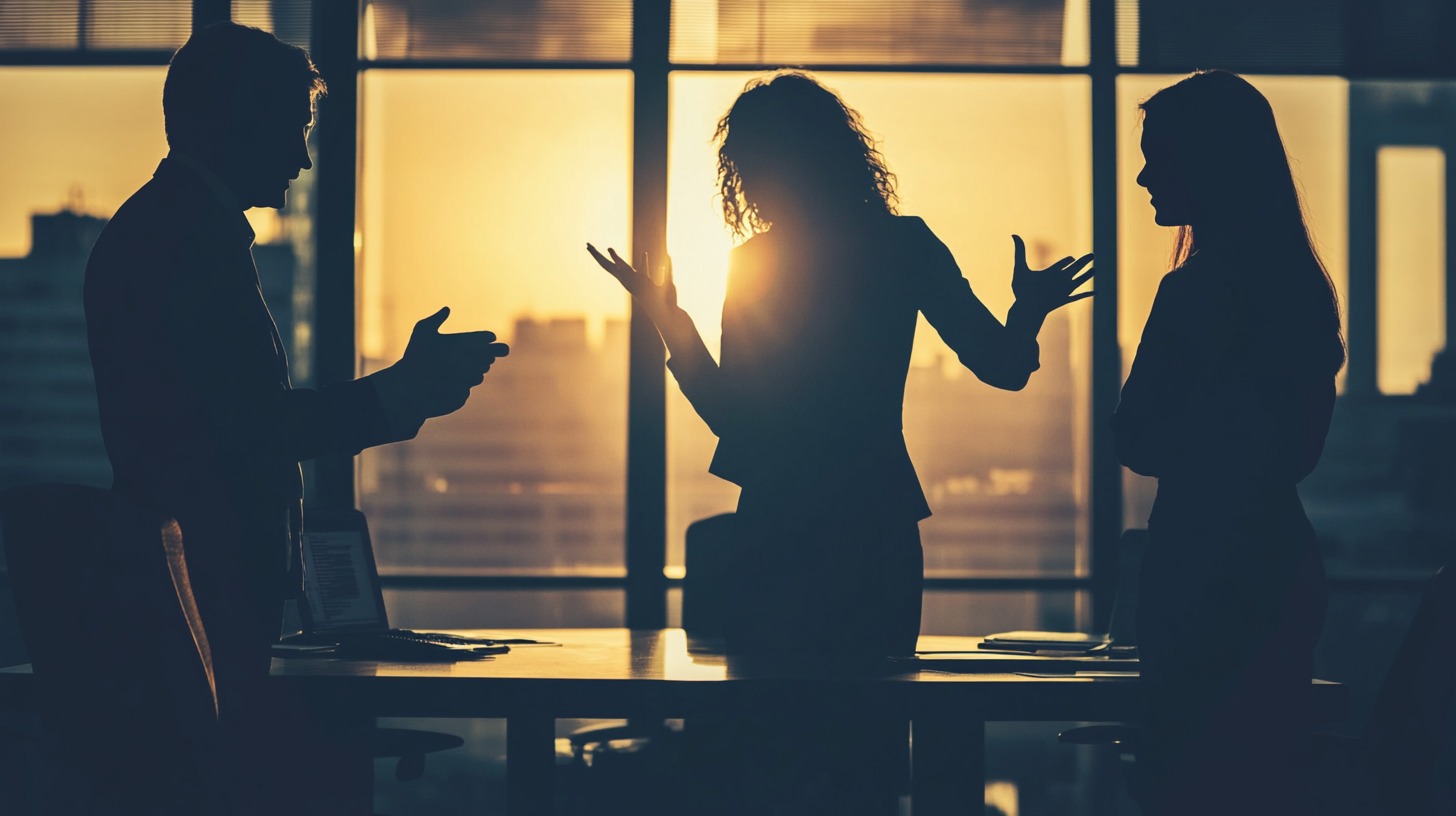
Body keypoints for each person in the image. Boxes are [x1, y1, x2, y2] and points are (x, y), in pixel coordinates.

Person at [589, 70, 1092, 816]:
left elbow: (735, 417)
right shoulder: (903, 245)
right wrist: (1029, 311)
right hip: (873, 527)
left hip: (775, 527)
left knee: (771, 753)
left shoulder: (756, 262)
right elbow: (1005, 367)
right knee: (865, 753)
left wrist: (671, 322)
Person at [84, 22, 507, 815]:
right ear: (229, 121)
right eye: (294, 131)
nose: (305, 160)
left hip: (201, 591)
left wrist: (404, 392)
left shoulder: (170, 232)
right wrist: (403, 391)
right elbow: (251, 427)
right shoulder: (186, 244)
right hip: (208, 593)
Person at [1113, 69, 1345, 816]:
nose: (1144, 174)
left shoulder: (1191, 292)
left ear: (1205, 164)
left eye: (1158, 156)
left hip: (1196, 573)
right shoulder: (1301, 289)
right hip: (1277, 566)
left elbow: (1135, 438)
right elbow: (1298, 449)